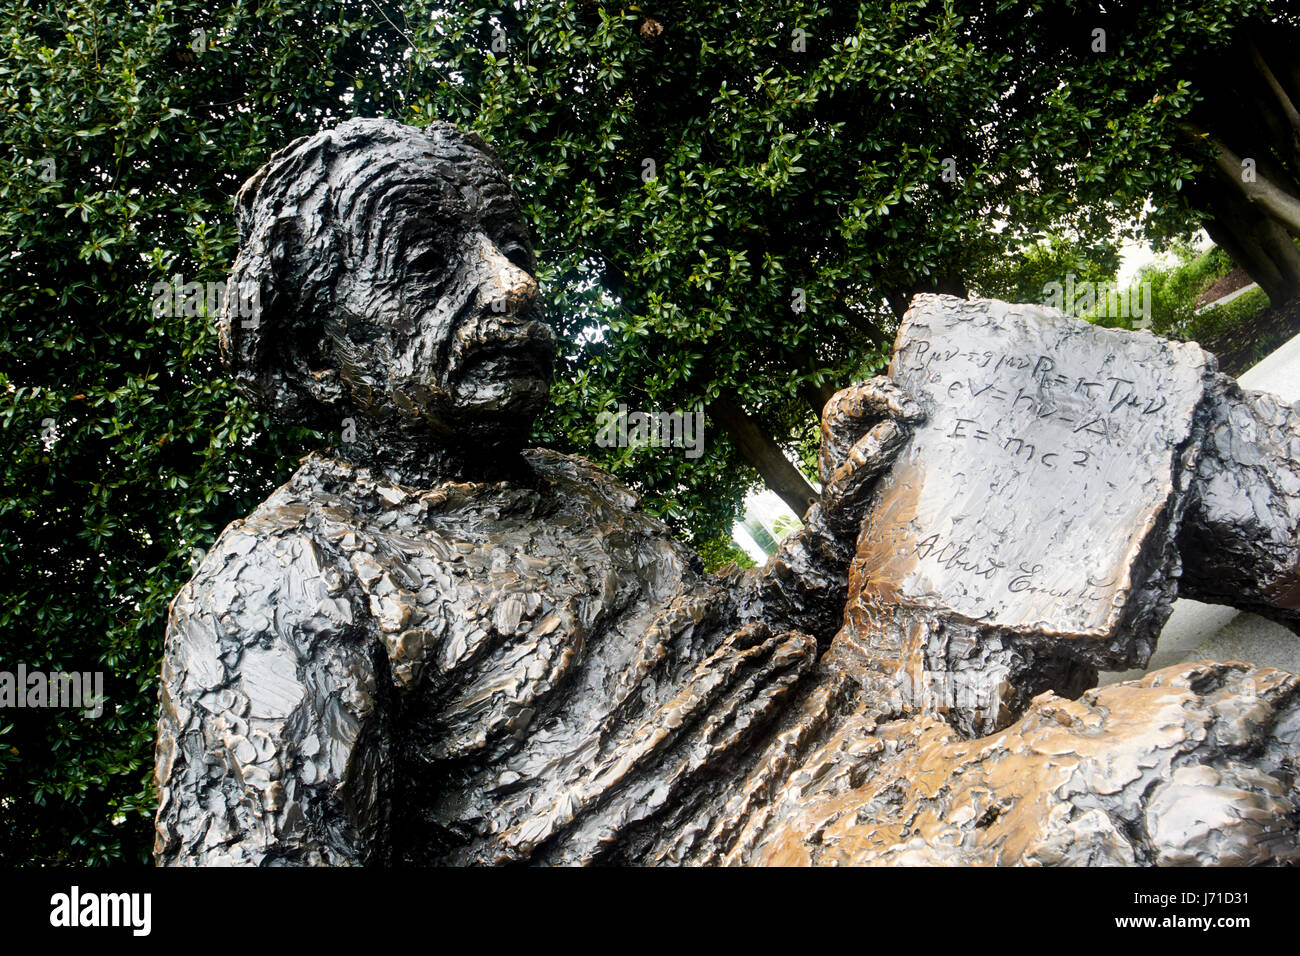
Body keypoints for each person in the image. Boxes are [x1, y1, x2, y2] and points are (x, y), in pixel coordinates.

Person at [153, 118, 921, 865]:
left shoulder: (576, 485)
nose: (515, 285)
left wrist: (837, 522)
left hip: (870, 752)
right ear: (314, 351)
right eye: (425, 261)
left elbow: (735, 641)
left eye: (513, 249)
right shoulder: (280, 580)